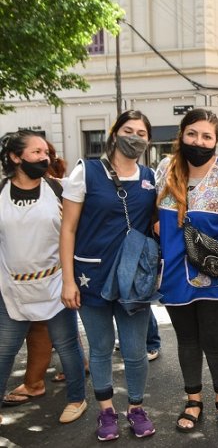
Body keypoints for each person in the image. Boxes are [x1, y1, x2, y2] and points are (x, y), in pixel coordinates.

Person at [60, 110, 157, 440]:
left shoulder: (151, 176)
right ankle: (105, 412)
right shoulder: (85, 172)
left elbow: (161, 222)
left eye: (141, 133)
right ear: (113, 134)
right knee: (100, 349)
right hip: (92, 277)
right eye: (128, 130)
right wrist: (68, 279)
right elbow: (68, 229)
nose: (135, 137)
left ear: (148, 140)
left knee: (134, 351)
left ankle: (135, 408)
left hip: (135, 280)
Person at [154, 108, 218, 432]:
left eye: (207, 136)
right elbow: (153, 215)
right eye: (192, 134)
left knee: (215, 340)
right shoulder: (165, 170)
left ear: (216, 141)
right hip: (174, 273)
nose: (199, 141)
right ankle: (193, 399)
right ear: (182, 135)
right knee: (186, 340)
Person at [0, 131, 87, 424]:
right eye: (36, 152)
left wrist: (71, 280)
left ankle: (77, 399)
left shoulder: (59, 189)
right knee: (4, 350)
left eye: (45, 152)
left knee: (67, 346)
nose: (44, 157)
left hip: (55, 284)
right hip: (12, 288)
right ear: (15, 157)